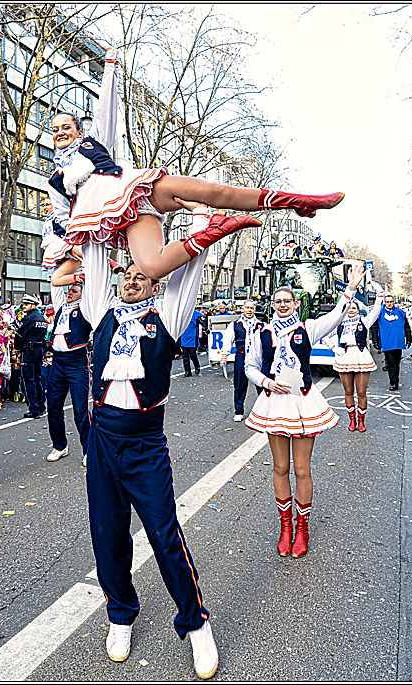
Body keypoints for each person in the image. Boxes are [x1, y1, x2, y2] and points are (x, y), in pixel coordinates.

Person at [77, 200, 256, 679]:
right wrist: (98, 206)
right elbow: (94, 255)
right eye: (126, 274)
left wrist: (199, 225)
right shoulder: (100, 314)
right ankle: (120, 615)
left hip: (144, 444)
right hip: (102, 442)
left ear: (156, 283)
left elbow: (189, 269)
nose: (131, 279)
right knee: (106, 535)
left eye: (142, 274)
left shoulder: (167, 318)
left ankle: (196, 624)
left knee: (163, 534)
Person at [47, 48, 343, 282]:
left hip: (137, 190)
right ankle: (216, 228)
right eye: (55, 129)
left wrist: (110, 64)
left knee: (216, 193)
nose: (60, 132)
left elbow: (106, 109)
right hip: (125, 220)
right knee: (153, 267)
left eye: (65, 127)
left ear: (78, 130)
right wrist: (72, 249)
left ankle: (301, 201)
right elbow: (62, 218)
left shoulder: (94, 142)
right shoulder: (56, 180)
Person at [245, 264, 366, 560]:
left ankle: (303, 529)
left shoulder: (308, 328)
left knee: (302, 469)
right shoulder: (262, 331)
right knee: (280, 468)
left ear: (296, 304)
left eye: (288, 301)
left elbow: (337, 314)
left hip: (302, 400)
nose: (283, 305)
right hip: (275, 401)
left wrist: (350, 288)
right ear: (272, 305)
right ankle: (285, 528)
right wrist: (266, 381)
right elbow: (249, 365)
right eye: (278, 301)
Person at [45, 281, 92, 465]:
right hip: (57, 363)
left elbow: (90, 292)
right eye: (69, 290)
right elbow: (56, 285)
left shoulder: (85, 309)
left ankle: (89, 450)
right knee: (53, 407)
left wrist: (84, 275)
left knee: (81, 410)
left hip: (77, 363)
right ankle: (60, 446)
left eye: (74, 291)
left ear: (82, 294)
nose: (69, 293)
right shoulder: (60, 307)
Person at [331, 298, 381, 431]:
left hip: (361, 356)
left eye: (354, 308)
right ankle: (352, 420)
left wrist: (380, 297)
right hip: (345, 356)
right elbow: (324, 333)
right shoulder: (339, 322)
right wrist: (332, 347)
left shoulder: (364, 320)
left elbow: (376, 311)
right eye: (349, 308)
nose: (351, 310)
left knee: (361, 392)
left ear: (358, 310)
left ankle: (361, 421)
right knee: (348, 391)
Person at [226, 300, 263, 422]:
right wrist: (224, 356)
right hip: (241, 357)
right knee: (240, 385)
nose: (249, 310)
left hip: (257, 358)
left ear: (254, 310)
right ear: (242, 309)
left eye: (252, 308)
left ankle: (264, 411)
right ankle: (238, 411)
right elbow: (227, 341)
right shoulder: (235, 325)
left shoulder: (261, 325)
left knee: (261, 384)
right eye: (247, 308)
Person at [17, 294, 49, 418]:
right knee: (38, 378)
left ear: (33, 305)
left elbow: (20, 335)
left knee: (29, 380)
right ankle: (41, 407)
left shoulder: (28, 318)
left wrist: (17, 347)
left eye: (26, 304)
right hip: (39, 349)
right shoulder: (41, 318)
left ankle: (34, 409)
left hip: (29, 351)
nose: (23, 306)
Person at [374, 294, 412, 391]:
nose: (389, 304)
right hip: (387, 342)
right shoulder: (379, 313)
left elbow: (406, 327)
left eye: (391, 302)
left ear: (393, 302)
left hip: (398, 342)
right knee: (391, 363)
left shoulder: (400, 312)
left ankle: (396, 380)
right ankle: (393, 383)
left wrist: (409, 338)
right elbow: (375, 328)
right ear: (385, 303)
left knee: (396, 363)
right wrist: (375, 341)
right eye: (387, 302)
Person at [178, 306, 207, 377]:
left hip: (192, 338)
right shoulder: (181, 314)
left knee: (192, 355)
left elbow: (203, 320)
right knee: (185, 357)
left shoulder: (195, 313)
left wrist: (202, 324)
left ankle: (197, 367)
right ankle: (187, 372)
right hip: (184, 338)